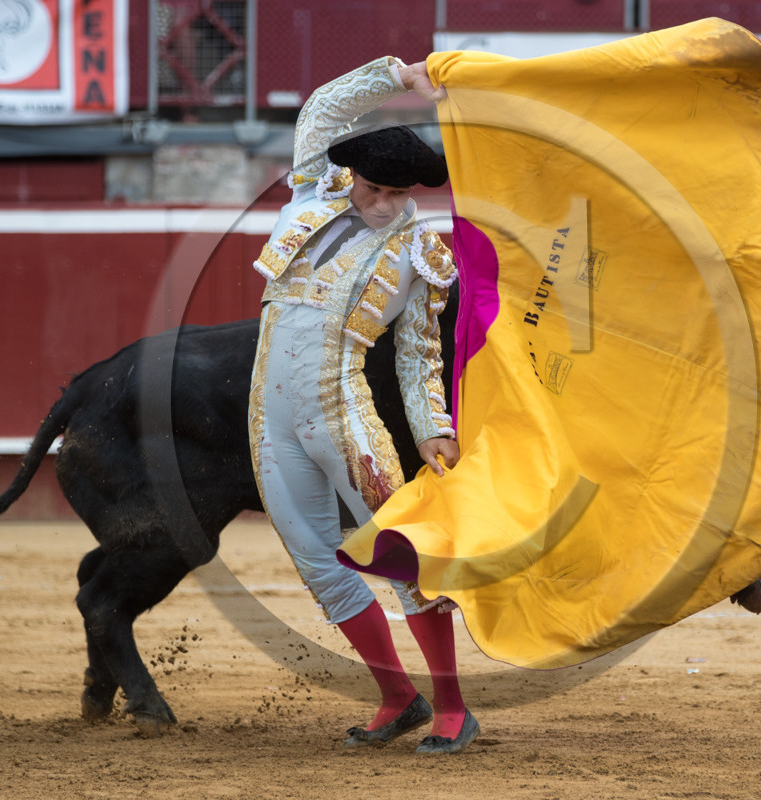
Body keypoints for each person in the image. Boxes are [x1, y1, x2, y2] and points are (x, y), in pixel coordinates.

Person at [247, 56, 477, 754]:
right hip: (269, 412)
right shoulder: (313, 191)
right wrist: (393, 74)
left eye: (395, 193)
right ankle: (396, 696)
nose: (381, 203)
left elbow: (418, 354)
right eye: (373, 188)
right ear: (355, 178)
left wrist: (432, 426)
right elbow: (319, 108)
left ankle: (454, 708)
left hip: (342, 410)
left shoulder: (421, 253)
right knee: (317, 562)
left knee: (400, 554)